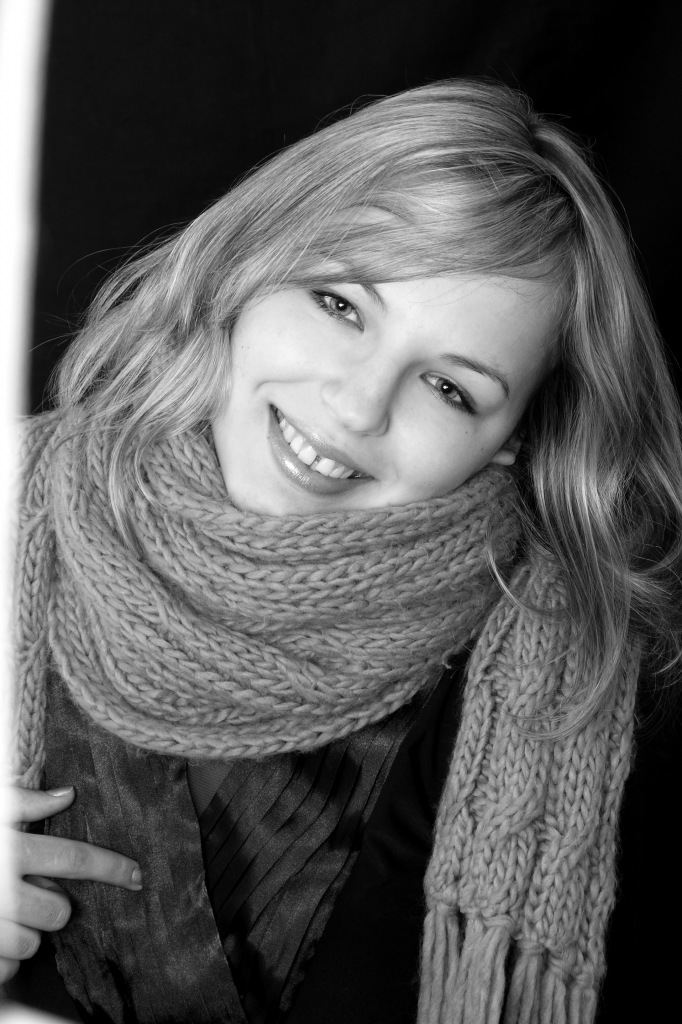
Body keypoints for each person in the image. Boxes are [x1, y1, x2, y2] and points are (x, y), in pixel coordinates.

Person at [3, 78, 681, 1024]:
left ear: (516, 439)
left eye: (450, 389)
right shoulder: (18, 505)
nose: (358, 406)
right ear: (250, 266)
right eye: (340, 304)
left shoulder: (576, 681)